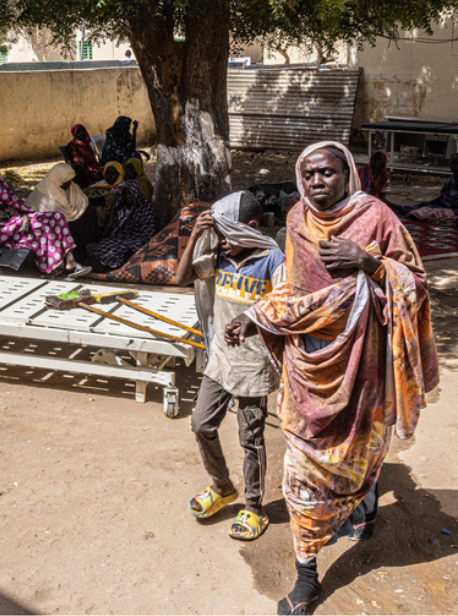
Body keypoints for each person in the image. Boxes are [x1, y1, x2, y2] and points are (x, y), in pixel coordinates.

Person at [226, 141, 438, 615]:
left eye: (328, 173)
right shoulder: (296, 219)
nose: (318, 182)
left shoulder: (378, 217)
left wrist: (369, 263)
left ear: (347, 175)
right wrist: (256, 317)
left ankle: (362, 503)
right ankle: (307, 577)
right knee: (302, 469)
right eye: (310, 174)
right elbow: (290, 286)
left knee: (359, 453)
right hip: (307, 364)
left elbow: (417, 284)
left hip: (361, 365)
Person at [175, 191, 284, 541]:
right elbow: (180, 278)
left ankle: (255, 507)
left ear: (249, 228)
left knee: (250, 438)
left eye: (226, 235)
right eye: (217, 235)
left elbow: (286, 308)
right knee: (200, 424)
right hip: (220, 360)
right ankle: (222, 487)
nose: (221, 242)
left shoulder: (271, 259)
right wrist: (194, 235)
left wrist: (255, 318)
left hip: (253, 366)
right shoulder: (219, 258)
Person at [0, 159, 88, 277]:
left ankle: (70, 259)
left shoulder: (3, 186)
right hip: (2, 228)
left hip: (18, 220)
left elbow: (18, 205)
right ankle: (50, 268)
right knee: (43, 228)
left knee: (57, 216)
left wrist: (24, 217)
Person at [27, 163, 99, 257]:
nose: (69, 183)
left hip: (72, 220)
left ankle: (80, 248)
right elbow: (32, 211)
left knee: (89, 211)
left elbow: (81, 202)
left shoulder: (72, 187)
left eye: (70, 180)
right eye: (66, 181)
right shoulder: (43, 190)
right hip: (54, 225)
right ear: (57, 179)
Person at [89, 180, 157, 271]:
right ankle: (97, 260)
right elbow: (114, 226)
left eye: (130, 194)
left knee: (119, 248)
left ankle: (106, 265)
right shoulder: (121, 207)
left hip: (137, 239)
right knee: (106, 244)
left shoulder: (145, 209)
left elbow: (148, 233)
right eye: (125, 194)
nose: (127, 197)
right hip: (120, 237)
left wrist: (130, 239)